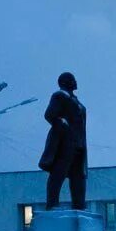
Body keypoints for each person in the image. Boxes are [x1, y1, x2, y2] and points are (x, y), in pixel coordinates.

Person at [38, 71, 87, 210]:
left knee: (78, 178)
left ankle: (79, 206)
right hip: (64, 143)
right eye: (73, 79)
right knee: (58, 173)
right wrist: (64, 124)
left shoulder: (76, 101)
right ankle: (52, 204)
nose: (76, 81)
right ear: (65, 82)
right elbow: (49, 115)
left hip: (79, 145)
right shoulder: (59, 96)